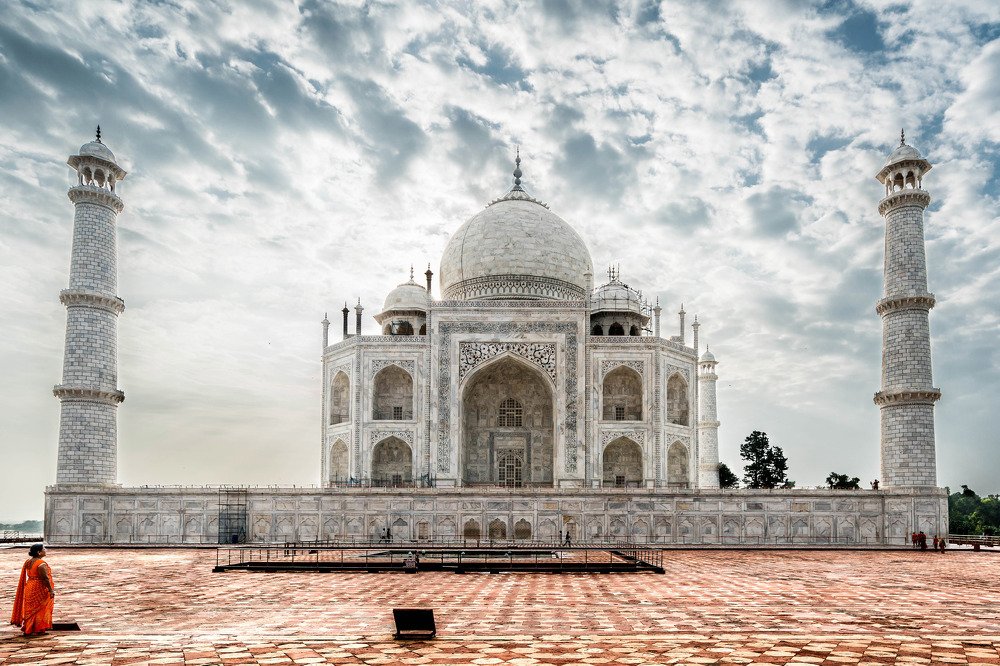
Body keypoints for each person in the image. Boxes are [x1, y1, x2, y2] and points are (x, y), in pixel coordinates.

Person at [10, 543, 55, 636]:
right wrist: (50, 590)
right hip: (39, 588)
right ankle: (37, 629)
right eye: (44, 549)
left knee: (30, 610)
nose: (45, 550)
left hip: (30, 586)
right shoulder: (41, 564)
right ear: (39, 552)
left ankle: (29, 628)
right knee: (40, 608)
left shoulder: (28, 562)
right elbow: (45, 579)